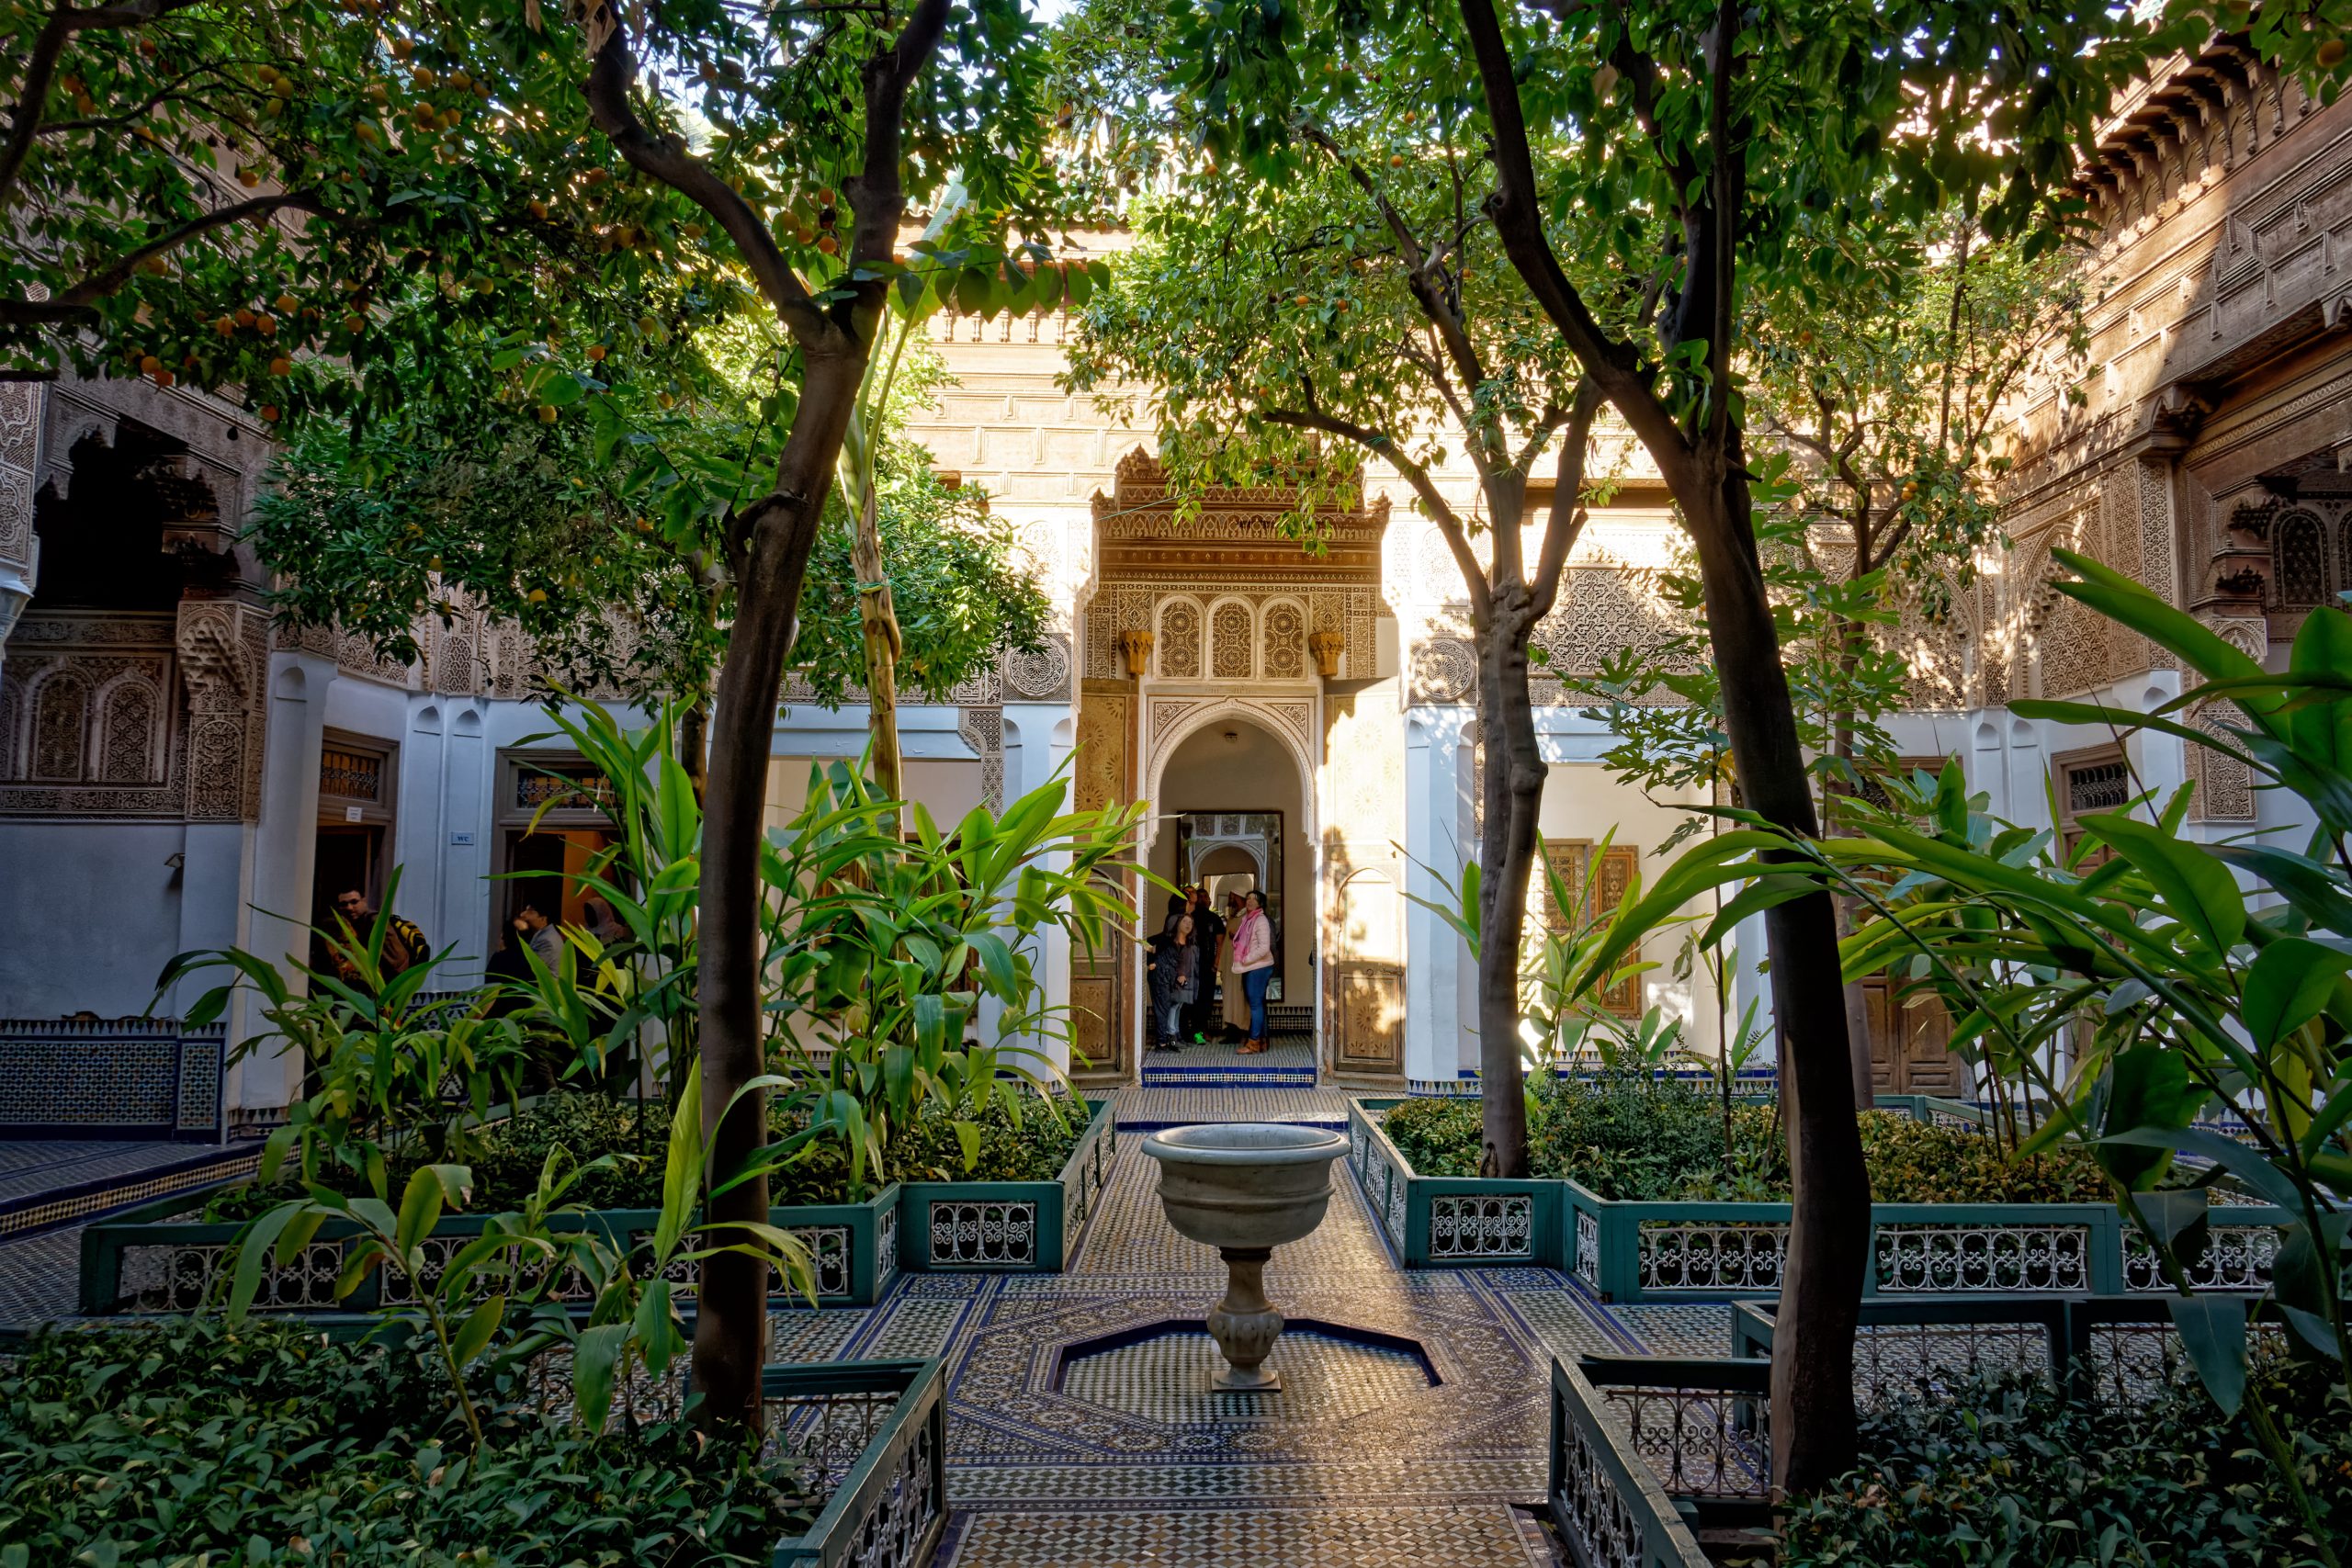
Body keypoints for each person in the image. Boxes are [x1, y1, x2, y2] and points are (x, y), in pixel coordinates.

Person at [332, 888, 429, 982]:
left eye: (354, 902)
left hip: (394, 983)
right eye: (344, 904)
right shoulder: (354, 923)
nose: (349, 908)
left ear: (364, 901)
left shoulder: (375, 922)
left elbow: (395, 960)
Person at [1230, 889, 1274, 1055]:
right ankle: (1261, 1041)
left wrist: (1246, 959)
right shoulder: (1248, 920)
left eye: (1253, 899)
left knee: (1255, 1005)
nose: (1249, 901)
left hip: (1258, 966)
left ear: (1260, 904)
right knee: (1257, 1004)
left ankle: (1253, 1043)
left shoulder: (1260, 920)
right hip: (1253, 966)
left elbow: (1264, 947)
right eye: (1248, 898)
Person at [1147, 912, 1198, 1053]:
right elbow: (1146, 943)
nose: (1188, 925)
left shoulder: (1188, 944)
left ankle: (1170, 1039)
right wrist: (1150, 962)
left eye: (1191, 923)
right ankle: (1161, 1043)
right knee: (1163, 1009)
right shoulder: (1166, 939)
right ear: (1177, 924)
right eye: (1185, 922)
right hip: (1160, 977)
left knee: (1173, 1007)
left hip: (1172, 979)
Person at [1183, 885, 1225, 1043]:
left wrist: (1216, 962)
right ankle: (1190, 1031)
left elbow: (1220, 943)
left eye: (1204, 897)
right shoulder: (1188, 917)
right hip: (1190, 965)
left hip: (1208, 965)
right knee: (1190, 998)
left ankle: (1201, 1030)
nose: (1201, 899)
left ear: (1209, 900)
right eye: (1198, 896)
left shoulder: (1215, 919)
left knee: (1206, 998)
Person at [1219, 889, 1250, 1039]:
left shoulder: (1246, 918)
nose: (1231, 900)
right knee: (1229, 998)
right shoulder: (1233, 917)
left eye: (1234, 897)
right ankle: (1230, 1028)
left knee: (1238, 998)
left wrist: (1237, 937)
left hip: (1239, 967)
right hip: (1228, 966)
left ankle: (1239, 1029)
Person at [514, 899, 567, 976]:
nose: (522, 914)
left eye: (530, 912)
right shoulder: (544, 934)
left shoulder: (546, 941)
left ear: (543, 919)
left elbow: (530, 969)